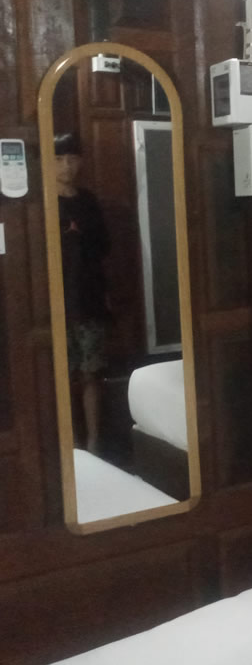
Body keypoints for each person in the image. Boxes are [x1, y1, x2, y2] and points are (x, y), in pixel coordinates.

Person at [55, 132, 111, 453]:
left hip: (89, 298)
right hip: (55, 302)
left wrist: (79, 233)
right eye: (59, 159)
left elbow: (105, 246)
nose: (67, 166)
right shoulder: (41, 201)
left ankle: (93, 442)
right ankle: (70, 441)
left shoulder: (88, 200)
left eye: (72, 159)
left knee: (91, 373)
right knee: (63, 375)